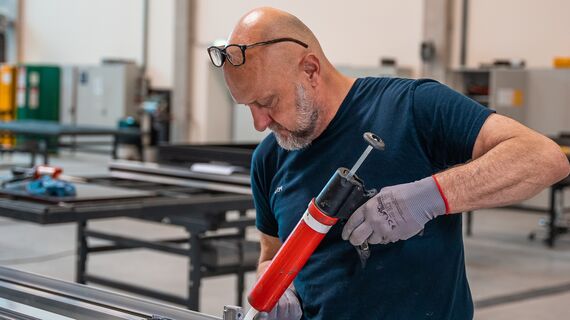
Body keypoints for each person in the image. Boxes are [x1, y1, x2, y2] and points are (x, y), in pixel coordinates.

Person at [207, 7, 570, 320]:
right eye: (247, 106)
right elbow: (271, 253)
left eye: (267, 101)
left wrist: (430, 196)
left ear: (311, 70)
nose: (259, 123)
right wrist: (275, 285)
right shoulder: (268, 159)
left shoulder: (413, 107)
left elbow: (543, 157)